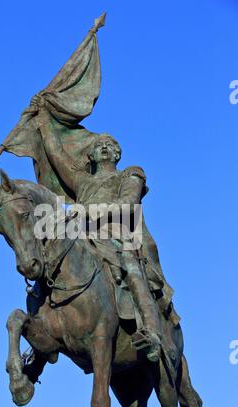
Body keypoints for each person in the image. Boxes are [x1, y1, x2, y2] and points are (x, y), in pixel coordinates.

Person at [36, 105, 170, 362]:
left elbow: (128, 205)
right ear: (92, 155)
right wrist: (43, 122)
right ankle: (40, 343)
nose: (105, 147)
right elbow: (55, 154)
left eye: (110, 144)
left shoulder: (131, 174)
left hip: (117, 236)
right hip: (83, 236)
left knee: (131, 263)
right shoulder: (83, 181)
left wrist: (88, 213)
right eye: (99, 145)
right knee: (47, 263)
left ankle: (151, 331)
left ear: (118, 153)